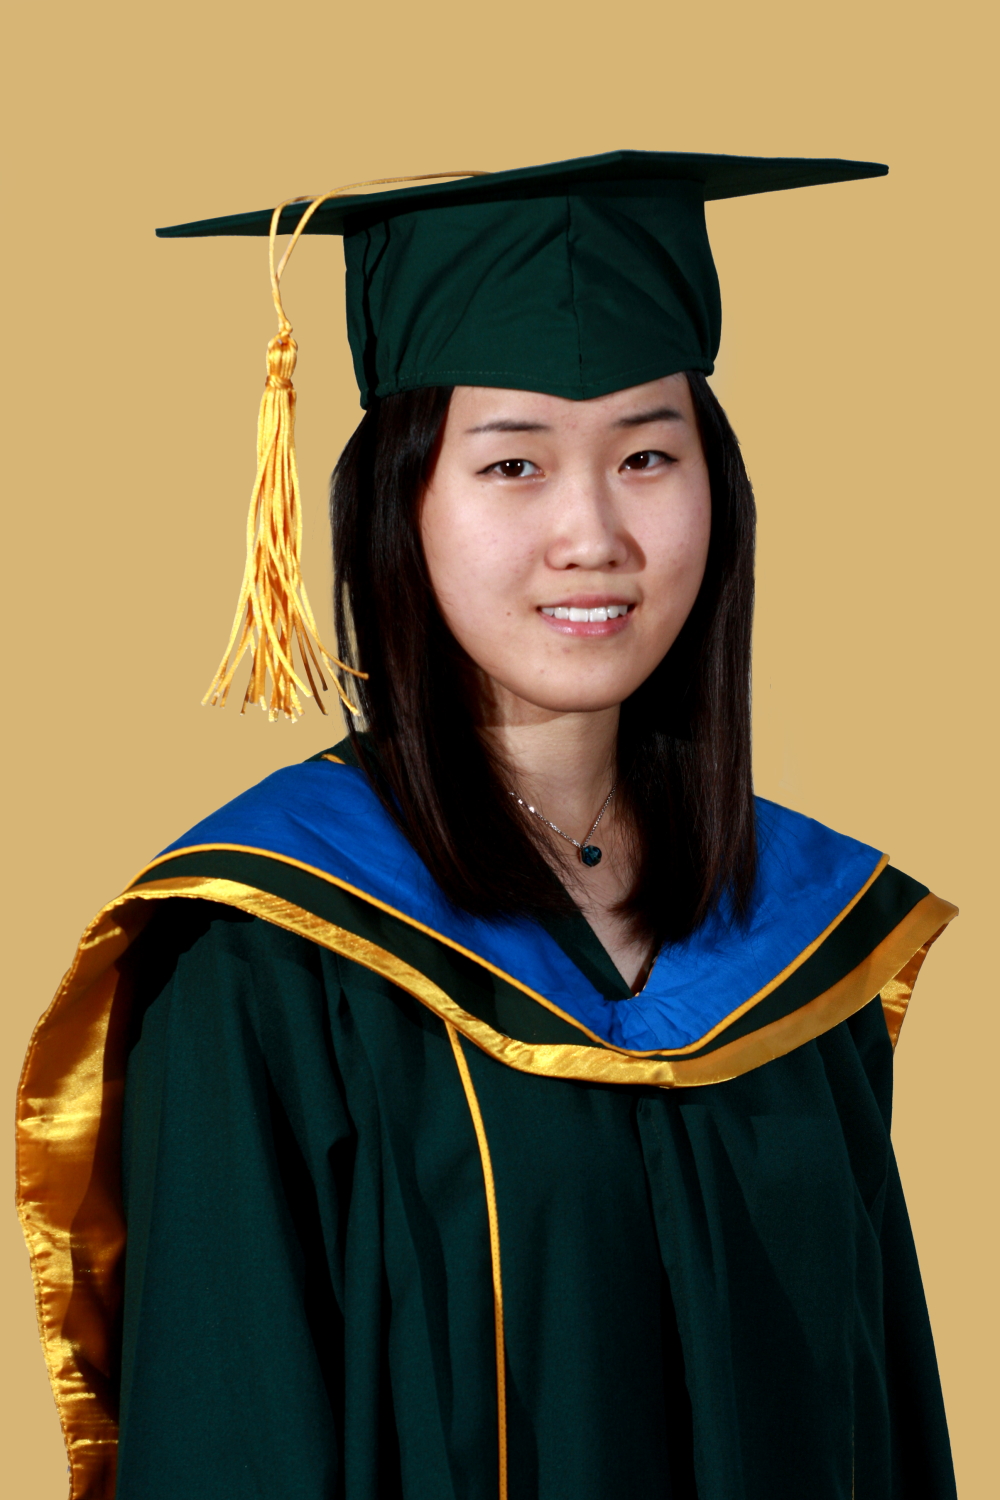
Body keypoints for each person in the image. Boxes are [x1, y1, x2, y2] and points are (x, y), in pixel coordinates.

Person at [17, 152, 958, 1500]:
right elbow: (231, 1436)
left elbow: (887, 1411)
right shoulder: (266, 955)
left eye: (648, 454)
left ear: (720, 493)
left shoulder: (801, 935)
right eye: (512, 464)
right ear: (396, 505)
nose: (593, 532)